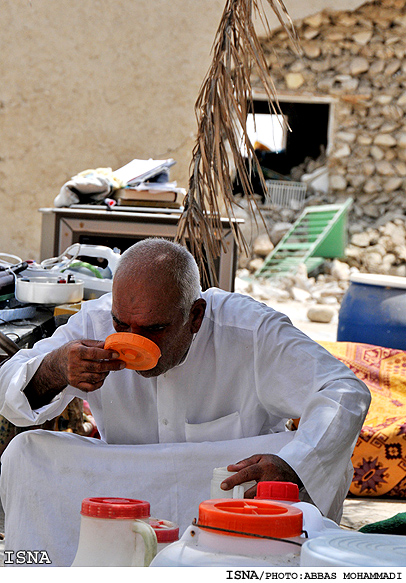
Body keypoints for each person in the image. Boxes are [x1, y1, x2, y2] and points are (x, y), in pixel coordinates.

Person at [0, 238, 370, 566]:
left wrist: (292, 464)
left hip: (227, 491)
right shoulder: (96, 324)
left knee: (325, 463)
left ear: (195, 316)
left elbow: (344, 392)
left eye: (154, 330)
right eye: (121, 325)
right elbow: (7, 385)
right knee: (26, 452)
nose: (132, 341)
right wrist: (56, 368)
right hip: (124, 485)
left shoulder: (250, 330)